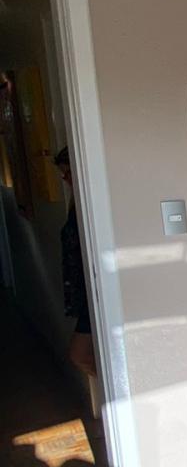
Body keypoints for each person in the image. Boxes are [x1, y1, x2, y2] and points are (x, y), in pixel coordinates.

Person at [56, 145, 97, 377]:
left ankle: (119, 393)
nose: (65, 179)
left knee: (79, 354)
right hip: (86, 292)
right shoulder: (77, 203)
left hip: (93, 292)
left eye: (67, 172)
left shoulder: (91, 202)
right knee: (85, 354)